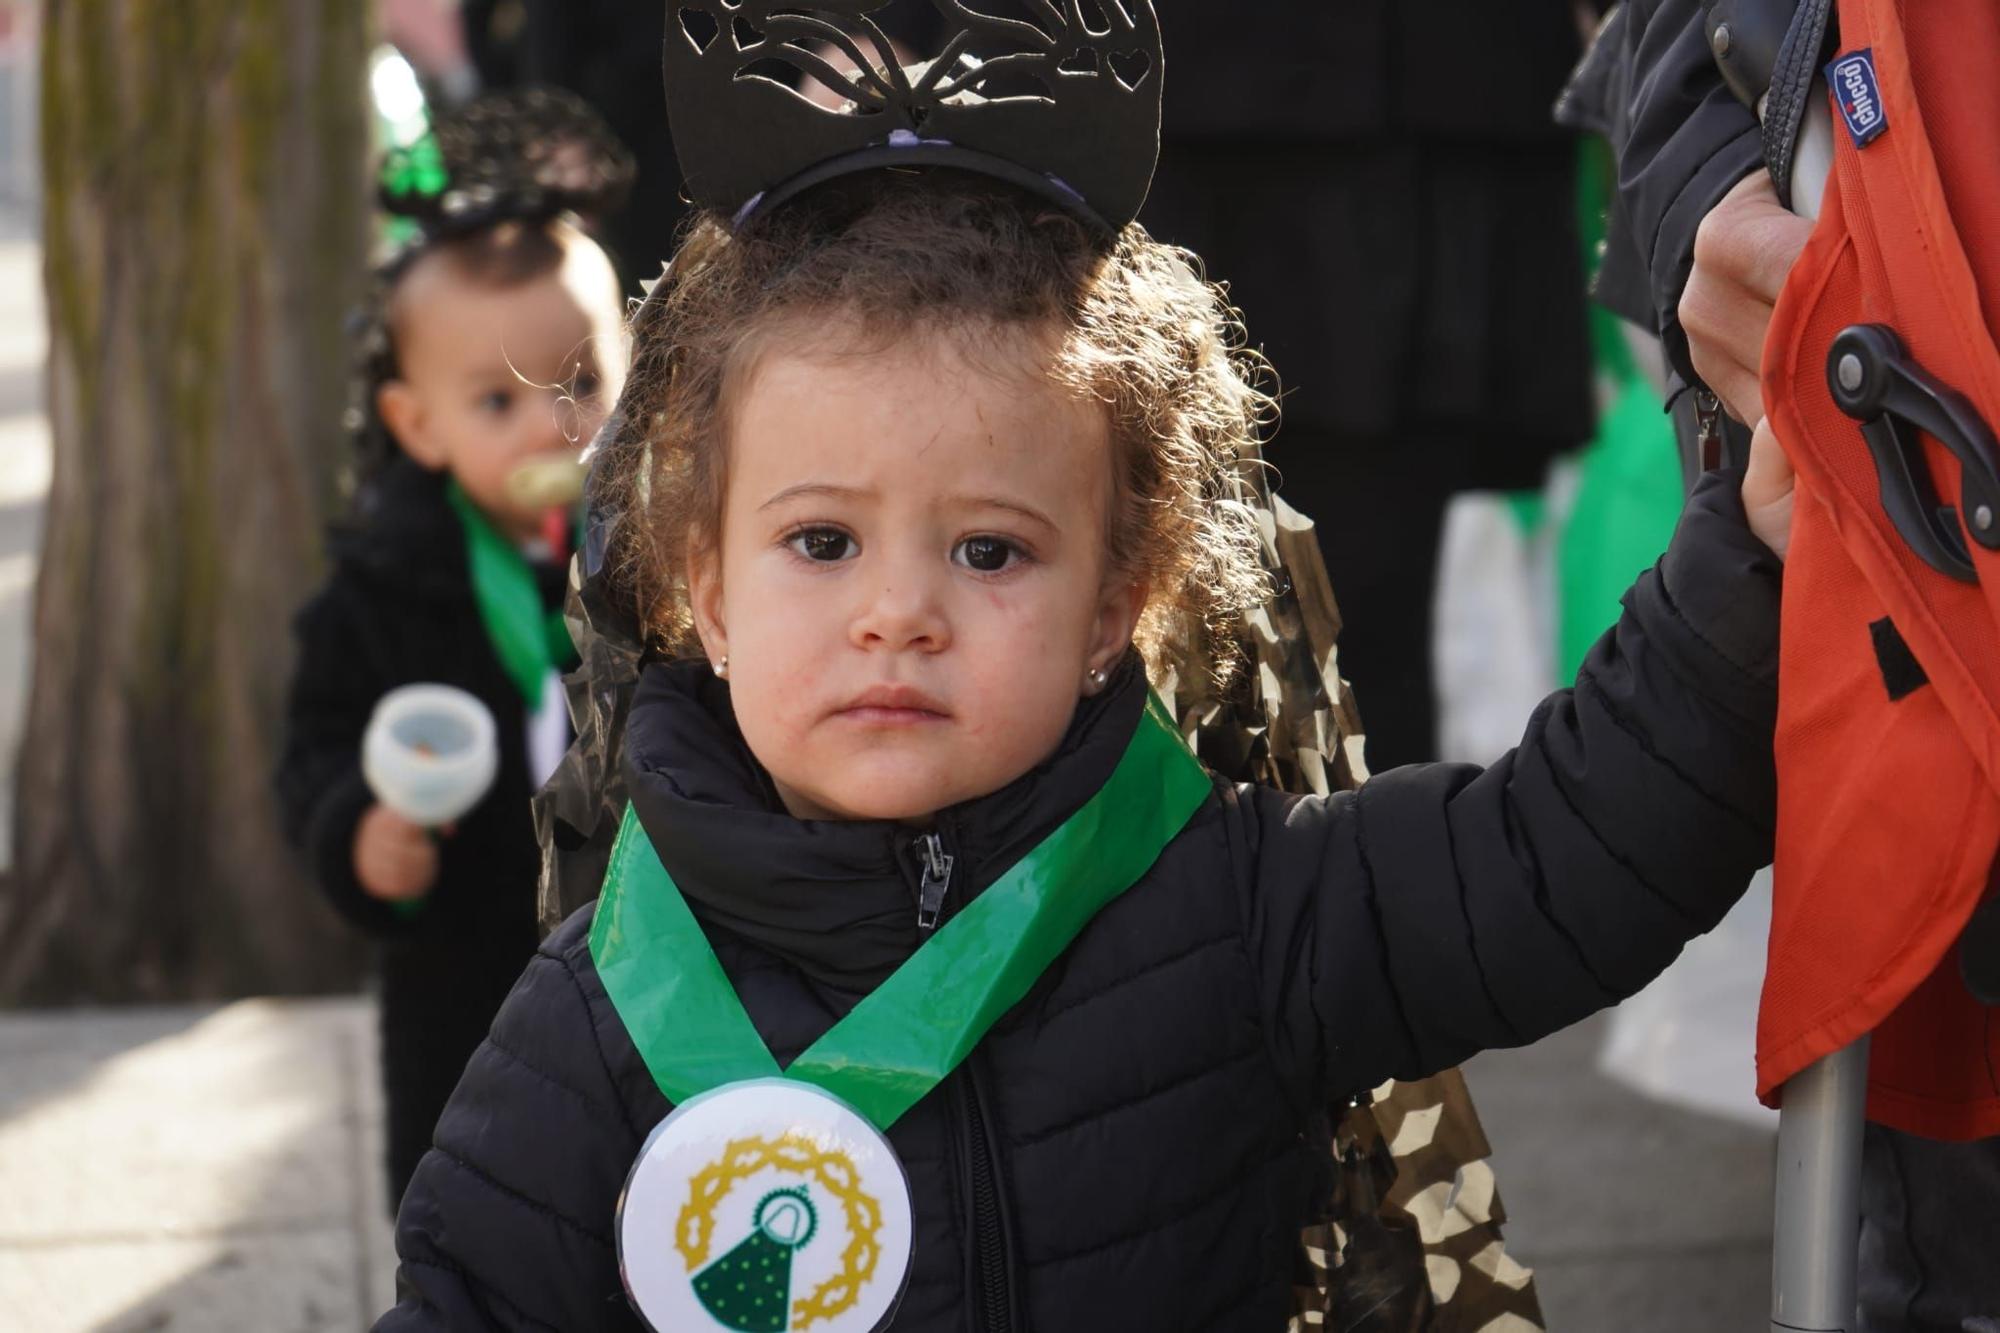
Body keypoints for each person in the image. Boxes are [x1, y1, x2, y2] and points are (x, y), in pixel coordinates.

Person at [374, 18, 1797, 1321]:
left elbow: (1567, 859)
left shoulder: (1245, 907)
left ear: (1118, 602)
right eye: (821, 541)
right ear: (707, 594)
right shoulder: (605, 1006)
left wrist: (1749, 564)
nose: (898, 614)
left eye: (989, 553)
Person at [275, 89, 630, 1213]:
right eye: (497, 399)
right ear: (417, 423)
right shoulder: (387, 589)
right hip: (461, 977)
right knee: (469, 1208)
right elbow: (318, 746)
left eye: (580, 381)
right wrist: (360, 833)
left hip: (639, 972)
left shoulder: (656, 561)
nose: (552, 426)